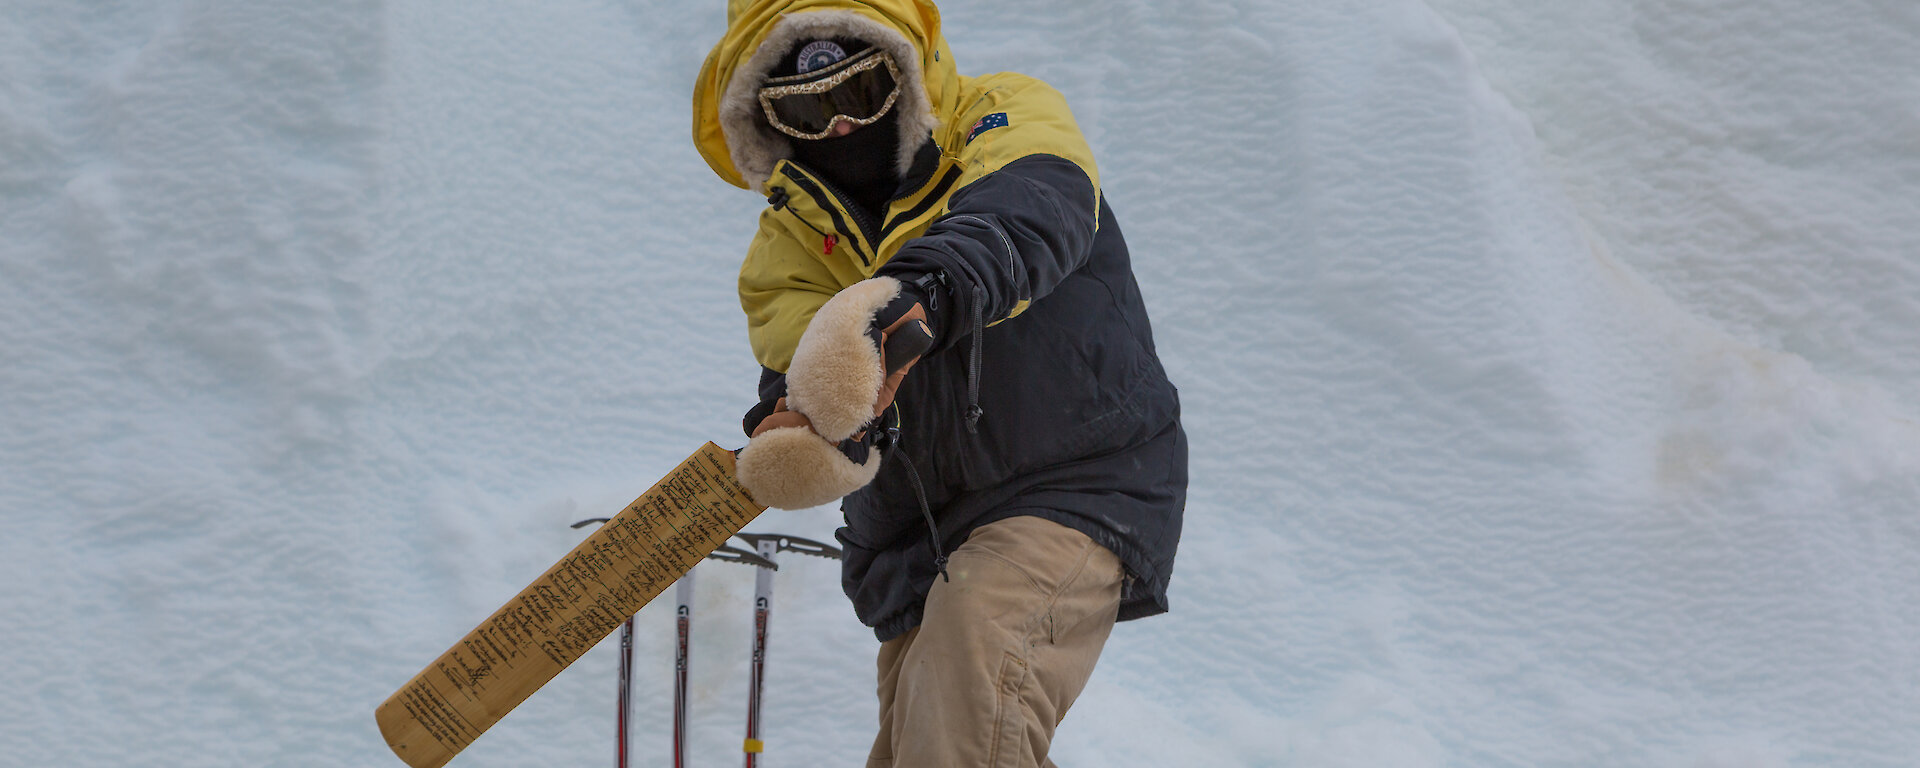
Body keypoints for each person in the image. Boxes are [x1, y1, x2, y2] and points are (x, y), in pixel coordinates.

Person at [692, 1, 1187, 765]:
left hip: (1072, 480)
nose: (842, 130)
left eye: (860, 94)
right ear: (770, 120)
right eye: (808, 111)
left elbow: (1032, 215)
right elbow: (809, 382)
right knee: (933, 744)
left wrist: (915, 297)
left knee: (968, 689)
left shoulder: (999, 116)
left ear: (903, 72)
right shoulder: (784, 248)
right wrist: (800, 428)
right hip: (915, 538)